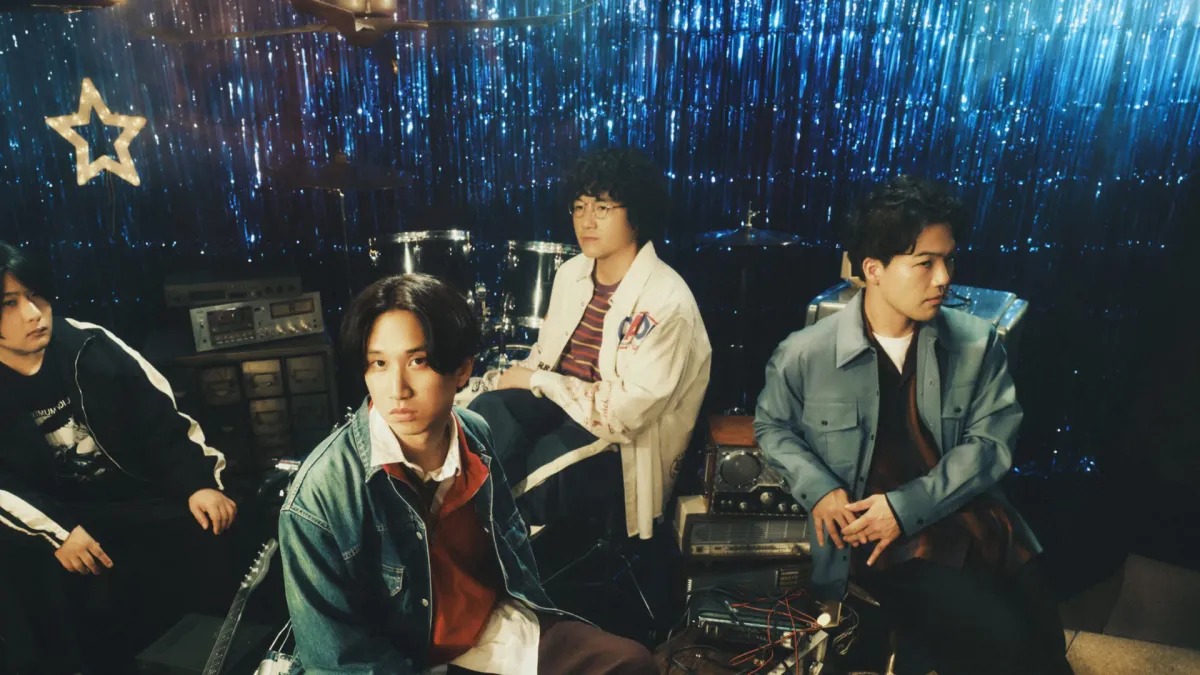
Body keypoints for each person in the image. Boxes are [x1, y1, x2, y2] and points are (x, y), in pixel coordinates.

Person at [754, 177, 1073, 674]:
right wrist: (820, 490)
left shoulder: (978, 343)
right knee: (998, 638)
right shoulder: (804, 353)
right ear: (873, 270)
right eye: (925, 263)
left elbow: (990, 444)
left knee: (1043, 635)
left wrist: (905, 509)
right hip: (874, 546)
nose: (943, 278)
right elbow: (772, 428)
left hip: (967, 518)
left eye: (949, 260)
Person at [278, 273, 657, 674]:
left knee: (632, 663)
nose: (397, 389)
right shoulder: (318, 498)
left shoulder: (474, 433)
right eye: (379, 364)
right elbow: (337, 661)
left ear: (462, 370)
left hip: (492, 633)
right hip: (402, 660)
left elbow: (512, 552)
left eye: (418, 361)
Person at [0, 241, 235, 674]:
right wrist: (58, 532)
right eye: (8, 303)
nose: (33, 313)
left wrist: (198, 483)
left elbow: (161, 419)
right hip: (54, 521)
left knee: (214, 532)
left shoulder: (89, 342)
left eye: (36, 295)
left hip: (136, 500)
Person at [464, 148, 711, 538]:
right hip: (559, 407)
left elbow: (625, 415)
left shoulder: (668, 301)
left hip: (617, 441)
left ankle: (483, 545)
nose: (587, 221)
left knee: (538, 472)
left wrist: (538, 381)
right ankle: (465, 529)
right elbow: (545, 358)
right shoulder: (571, 273)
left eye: (603, 208)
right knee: (483, 414)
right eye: (579, 207)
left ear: (637, 214)